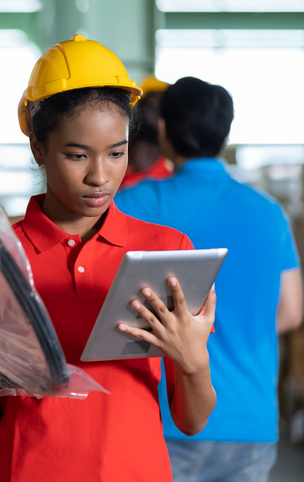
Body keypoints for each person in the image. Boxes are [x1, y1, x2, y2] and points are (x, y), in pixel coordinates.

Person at [0, 36, 217, 481]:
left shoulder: (166, 251)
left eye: (117, 153)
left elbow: (192, 420)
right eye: (77, 155)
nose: (100, 176)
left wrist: (193, 359)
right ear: (38, 147)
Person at [115, 76, 303, 482]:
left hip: (170, 417)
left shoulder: (135, 203)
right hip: (250, 420)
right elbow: (291, 312)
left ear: (164, 128)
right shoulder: (269, 212)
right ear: (225, 132)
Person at [119, 75, 174, 189]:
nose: (153, 105)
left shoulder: (167, 180)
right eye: (149, 101)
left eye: (160, 104)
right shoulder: (112, 161)